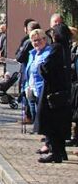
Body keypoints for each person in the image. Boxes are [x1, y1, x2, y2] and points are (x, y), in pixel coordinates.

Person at [28, 27, 71, 163]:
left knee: (51, 123)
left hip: (52, 91)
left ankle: (56, 152)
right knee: (59, 122)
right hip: (63, 91)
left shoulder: (56, 48)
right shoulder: (65, 47)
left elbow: (46, 68)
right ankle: (61, 151)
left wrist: (41, 68)